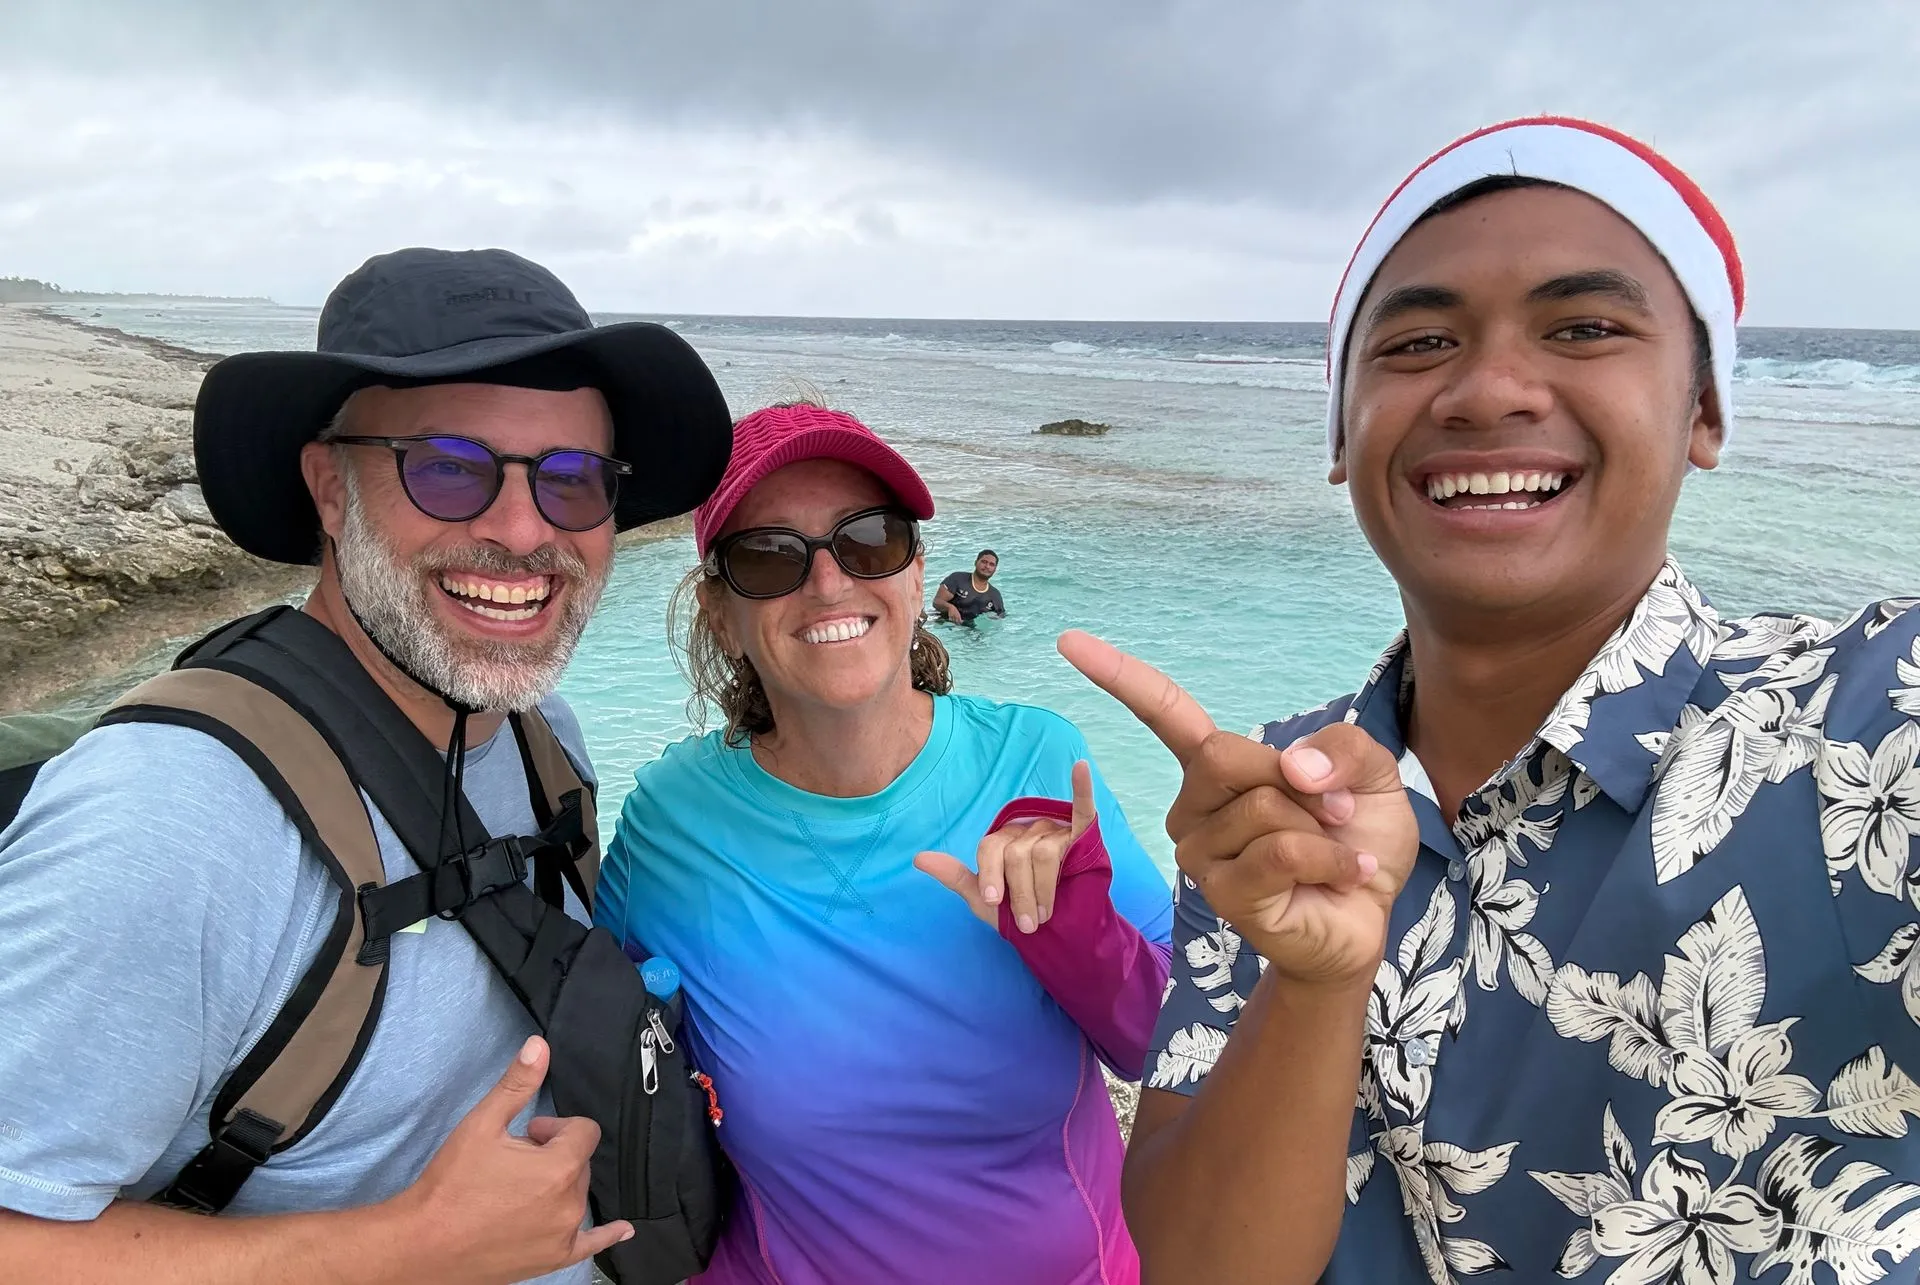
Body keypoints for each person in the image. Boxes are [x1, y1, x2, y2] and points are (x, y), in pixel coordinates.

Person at [1098, 117, 1920, 1283]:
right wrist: (1319, 979)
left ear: (1705, 412)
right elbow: (1200, 1263)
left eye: (1584, 327)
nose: (1488, 389)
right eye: (1421, 341)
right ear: (1342, 434)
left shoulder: (1861, 726)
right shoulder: (1274, 795)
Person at [0, 247, 732, 1284]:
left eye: (572, 480)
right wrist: (405, 1249)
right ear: (329, 490)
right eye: (446, 466)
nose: (523, 531)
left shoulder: (539, 733)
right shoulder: (170, 821)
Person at [594, 400, 1175, 1285]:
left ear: (914, 576)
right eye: (768, 557)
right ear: (720, 615)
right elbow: (606, 1061)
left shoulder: (1036, 758)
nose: (828, 585)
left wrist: (1073, 927)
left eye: (868, 541)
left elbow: (1166, 1049)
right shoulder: (670, 825)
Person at [934, 548, 1005, 624]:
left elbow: (1001, 616)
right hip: (945, 623)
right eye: (984, 562)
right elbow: (937, 602)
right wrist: (950, 607)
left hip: (971, 629)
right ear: (975, 562)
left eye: (991, 564)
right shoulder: (957, 579)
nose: (987, 566)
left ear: (995, 569)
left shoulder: (995, 595)